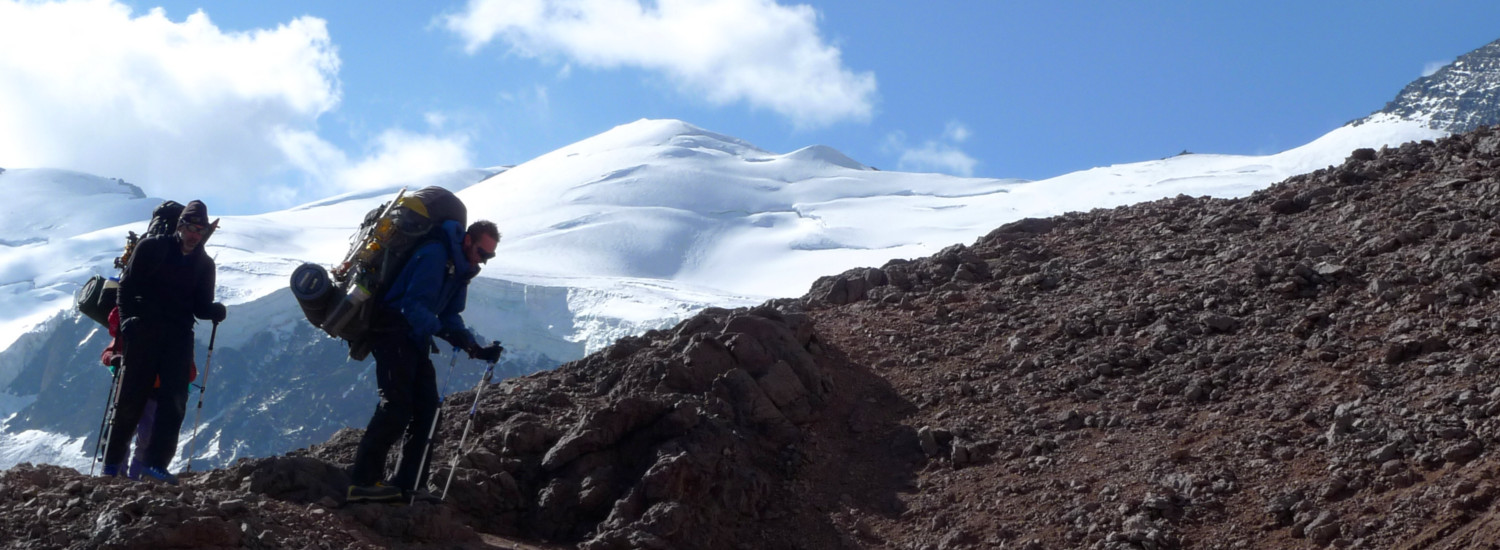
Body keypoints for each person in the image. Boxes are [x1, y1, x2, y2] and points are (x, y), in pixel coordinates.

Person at [346, 219, 503, 503]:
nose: (483, 261)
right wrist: (444, 332)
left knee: (428, 411)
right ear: (468, 240)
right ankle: (362, 482)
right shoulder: (435, 255)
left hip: (415, 340)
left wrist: (474, 347)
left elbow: (451, 314)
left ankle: (410, 485)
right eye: (482, 252)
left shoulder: (461, 269)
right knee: (396, 406)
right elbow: (412, 306)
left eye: (489, 257)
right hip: (392, 332)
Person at [103, 200, 226, 484]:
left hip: (178, 335)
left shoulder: (205, 265)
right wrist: (127, 320)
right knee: (130, 399)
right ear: (180, 225)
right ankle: (112, 464)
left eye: (200, 229)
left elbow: (200, 306)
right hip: (145, 330)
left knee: (174, 401)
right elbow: (127, 287)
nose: (195, 234)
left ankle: (155, 464)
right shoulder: (152, 248)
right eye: (192, 227)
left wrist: (213, 311)